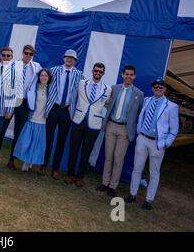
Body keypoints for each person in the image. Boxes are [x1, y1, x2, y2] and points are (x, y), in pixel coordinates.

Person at [125, 78, 179, 211]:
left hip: (157, 143)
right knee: (137, 168)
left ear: (165, 89)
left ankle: (148, 200)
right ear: (152, 88)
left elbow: (174, 128)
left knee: (154, 172)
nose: (158, 89)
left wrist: (166, 143)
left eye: (161, 87)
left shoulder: (171, 106)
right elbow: (141, 118)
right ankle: (132, 194)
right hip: (143, 139)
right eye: (155, 87)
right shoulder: (147, 100)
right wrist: (139, 134)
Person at [97, 65, 144, 197]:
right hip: (111, 125)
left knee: (118, 158)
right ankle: (105, 183)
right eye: (126, 74)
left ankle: (113, 186)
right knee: (108, 157)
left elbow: (140, 112)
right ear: (122, 75)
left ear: (134, 77)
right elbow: (107, 103)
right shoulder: (114, 88)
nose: (128, 77)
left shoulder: (139, 94)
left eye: (131, 75)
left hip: (125, 129)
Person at [65, 62, 111, 187]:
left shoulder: (107, 89)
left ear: (103, 73)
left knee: (87, 151)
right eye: (96, 70)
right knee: (73, 148)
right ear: (92, 71)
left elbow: (107, 105)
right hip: (78, 120)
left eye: (100, 72)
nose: (97, 73)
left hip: (94, 124)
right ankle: (70, 174)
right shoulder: (82, 83)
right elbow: (73, 98)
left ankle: (80, 176)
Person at [41, 49, 84, 180]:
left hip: (67, 111)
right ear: (63, 58)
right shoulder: (53, 70)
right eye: (67, 57)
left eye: (72, 58)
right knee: (48, 138)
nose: (69, 59)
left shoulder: (79, 75)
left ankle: (55, 168)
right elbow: (43, 83)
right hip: (53, 108)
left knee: (61, 141)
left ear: (75, 61)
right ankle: (44, 164)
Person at [0, 45, 41, 170]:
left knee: (18, 132)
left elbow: (45, 77)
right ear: (22, 53)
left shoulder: (36, 67)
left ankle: (11, 160)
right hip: (11, 101)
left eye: (30, 54)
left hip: (24, 103)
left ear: (33, 55)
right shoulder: (13, 65)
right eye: (26, 53)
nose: (28, 55)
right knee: (2, 128)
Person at [14, 69, 52, 172]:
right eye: (42, 76)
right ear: (39, 77)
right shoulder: (34, 89)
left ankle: (30, 161)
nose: (43, 78)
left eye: (45, 76)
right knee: (27, 142)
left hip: (42, 121)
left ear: (48, 78)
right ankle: (25, 161)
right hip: (32, 119)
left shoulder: (51, 91)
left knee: (36, 144)